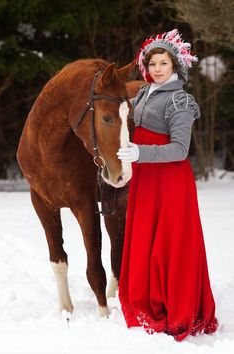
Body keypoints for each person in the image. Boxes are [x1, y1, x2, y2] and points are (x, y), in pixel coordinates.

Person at [117, 29, 218, 341]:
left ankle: (177, 306)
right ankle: (146, 296)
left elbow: (180, 149)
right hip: (147, 178)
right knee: (146, 237)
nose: (157, 69)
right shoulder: (145, 93)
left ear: (175, 66)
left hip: (171, 182)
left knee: (170, 243)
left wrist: (140, 152)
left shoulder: (180, 100)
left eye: (163, 63)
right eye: (153, 64)